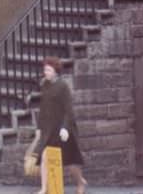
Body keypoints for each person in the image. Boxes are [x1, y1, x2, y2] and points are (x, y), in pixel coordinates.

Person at [35, 55, 87, 194]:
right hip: (49, 129)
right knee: (45, 157)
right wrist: (39, 128)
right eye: (45, 70)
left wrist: (65, 128)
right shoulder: (44, 84)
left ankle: (80, 182)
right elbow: (43, 108)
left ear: (55, 71)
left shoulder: (63, 86)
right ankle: (44, 188)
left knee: (70, 163)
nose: (46, 73)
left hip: (64, 130)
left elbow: (69, 110)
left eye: (49, 70)